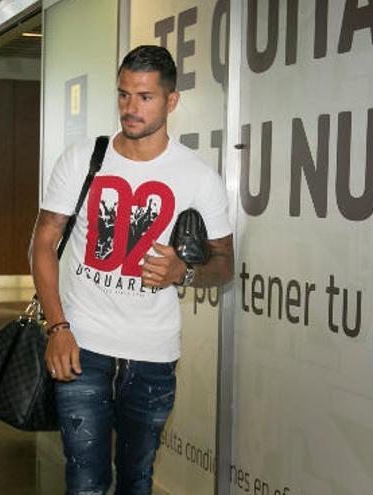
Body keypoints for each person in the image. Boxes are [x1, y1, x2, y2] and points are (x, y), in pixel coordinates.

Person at [29, 45, 234, 494]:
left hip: (153, 354)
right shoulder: (83, 158)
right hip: (82, 345)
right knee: (84, 481)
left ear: (171, 101)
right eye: (124, 95)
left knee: (137, 480)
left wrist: (184, 272)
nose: (130, 108)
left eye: (145, 97)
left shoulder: (198, 177)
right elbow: (43, 243)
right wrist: (57, 326)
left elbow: (224, 264)